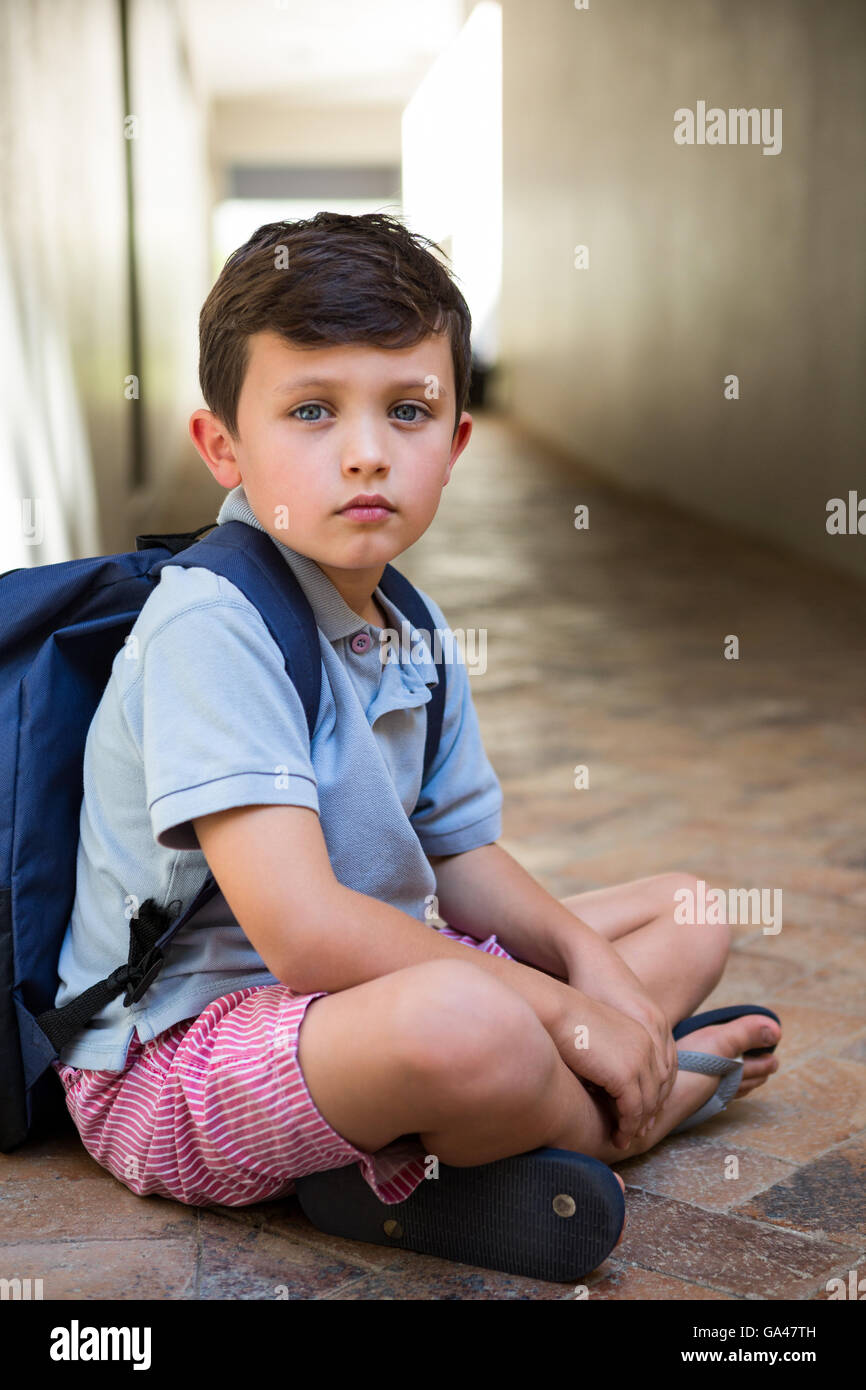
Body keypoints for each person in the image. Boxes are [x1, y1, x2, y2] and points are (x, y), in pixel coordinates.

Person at [51, 212, 780, 1231]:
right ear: (222, 445)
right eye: (311, 411)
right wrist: (567, 1011)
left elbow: (457, 852)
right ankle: (628, 1114)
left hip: (379, 987)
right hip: (185, 1064)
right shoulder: (212, 621)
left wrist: (585, 961)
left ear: (456, 443)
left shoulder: (413, 624)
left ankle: (498, 1119)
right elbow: (303, 935)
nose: (365, 455)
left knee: (688, 913)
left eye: (406, 411)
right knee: (468, 1021)